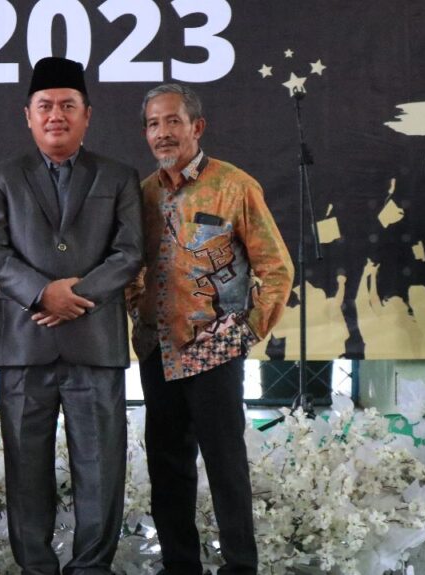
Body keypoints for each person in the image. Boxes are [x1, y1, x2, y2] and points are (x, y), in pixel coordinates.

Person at [0, 56, 144, 575]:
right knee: (25, 470)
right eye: (45, 106)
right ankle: (36, 568)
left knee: (101, 468)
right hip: (24, 346)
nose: (56, 115)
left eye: (68, 105)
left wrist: (77, 295)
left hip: (95, 344)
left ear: (87, 114)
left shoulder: (119, 176)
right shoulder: (0, 177)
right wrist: (41, 294)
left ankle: (91, 568)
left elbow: (130, 252)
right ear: (27, 115)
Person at [127, 83, 294, 575]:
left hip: (216, 352)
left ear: (196, 127)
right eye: (153, 124)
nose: (163, 132)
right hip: (159, 350)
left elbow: (277, 269)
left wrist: (244, 332)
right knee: (167, 468)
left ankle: (240, 566)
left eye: (172, 121)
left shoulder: (235, 186)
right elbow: (131, 266)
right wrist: (138, 311)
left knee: (226, 467)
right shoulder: (142, 194)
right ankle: (180, 565)